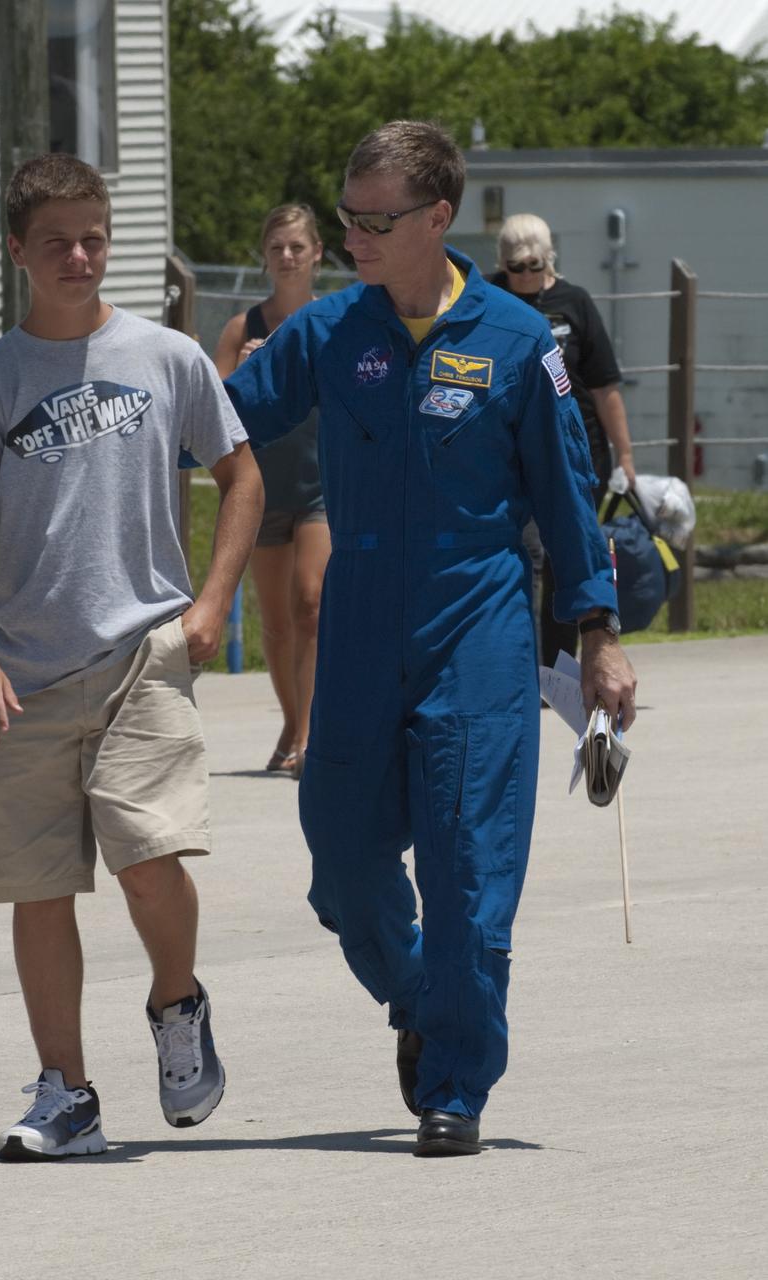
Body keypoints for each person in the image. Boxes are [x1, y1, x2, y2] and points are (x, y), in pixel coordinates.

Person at [224, 120, 637, 1157]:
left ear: (437, 219)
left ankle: (455, 1080)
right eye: (347, 217)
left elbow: (566, 493)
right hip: (360, 636)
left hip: (477, 637)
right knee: (345, 869)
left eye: (373, 219)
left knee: (466, 869)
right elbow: (219, 420)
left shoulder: (514, 342)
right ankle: (418, 999)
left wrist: (597, 633)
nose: (351, 236)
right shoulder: (329, 334)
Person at [0, 153, 263, 1160]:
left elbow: (242, 477)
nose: (80, 255)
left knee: (150, 860)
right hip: (24, 674)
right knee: (39, 886)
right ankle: (66, 1091)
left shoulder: (168, 358)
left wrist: (212, 599)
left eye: (95, 237)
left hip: (143, 649)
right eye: (59, 240)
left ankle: (175, 999)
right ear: (19, 251)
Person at [489, 213, 637, 668]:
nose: (526, 277)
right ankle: (520, 663)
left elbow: (605, 385)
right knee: (526, 556)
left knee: (563, 560)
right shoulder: (489, 298)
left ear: (549, 259)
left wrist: (625, 455)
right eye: (517, 268)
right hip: (510, 454)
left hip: (576, 451)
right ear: (503, 265)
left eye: (535, 266)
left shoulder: (575, 301)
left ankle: (556, 670)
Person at [214, 205, 331, 777]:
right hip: (261, 488)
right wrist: (240, 373)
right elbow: (211, 415)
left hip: (320, 486)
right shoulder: (243, 327)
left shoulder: (332, 321)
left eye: (297, 247)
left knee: (311, 603)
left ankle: (308, 733)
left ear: (317, 254)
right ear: (265, 256)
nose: (287, 257)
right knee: (278, 621)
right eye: (278, 247)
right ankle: (292, 720)